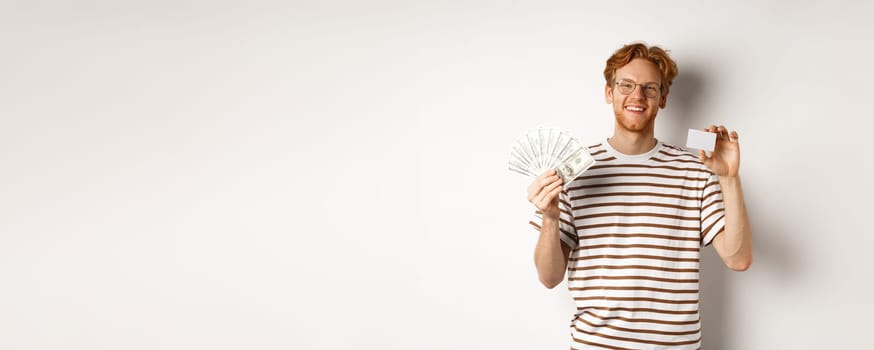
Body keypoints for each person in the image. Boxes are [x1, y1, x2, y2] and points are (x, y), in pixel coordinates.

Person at [527, 42, 752, 349]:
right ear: (609, 93)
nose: (637, 96)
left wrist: (729, 178)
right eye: (626, 85)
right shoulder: (574, 170)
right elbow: (549, 277)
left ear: (663, 99)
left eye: (649, 88)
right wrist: (551, 218)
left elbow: (738, 259)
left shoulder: (694, 169)